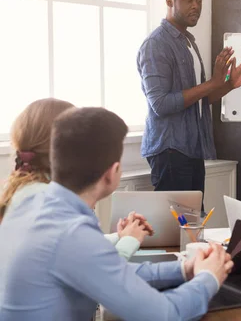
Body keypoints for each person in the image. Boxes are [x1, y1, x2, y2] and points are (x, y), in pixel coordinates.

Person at [0, 107, 234, 320]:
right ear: (113, 173)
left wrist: (185, 268)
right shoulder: (70, 231)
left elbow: (114, 272)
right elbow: (165, 314)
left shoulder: (33, 203)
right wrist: (208, 278)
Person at [137, 0, 241, 203]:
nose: (196, 6)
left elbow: (200, 99)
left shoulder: (188, 42)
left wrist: (229, 84)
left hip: (191, 148)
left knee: (193, 221)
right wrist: (213, 82)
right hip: (170, 150)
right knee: (176, 224)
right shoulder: (156, 45)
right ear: (169, 1)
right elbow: (161, 104)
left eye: (200, 1)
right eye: (189, 0)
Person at [0, 98, 151, 260]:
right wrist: (129, 241)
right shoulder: (53, 203)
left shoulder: (27, 189)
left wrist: (120, 236)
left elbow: (71, 248)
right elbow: (97, 273)